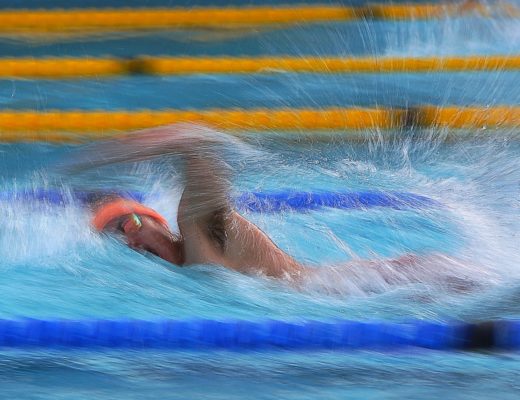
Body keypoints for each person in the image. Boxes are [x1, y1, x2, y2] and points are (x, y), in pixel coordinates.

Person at [75, 123, 479, 290]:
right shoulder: (189, 272)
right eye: (117, 240)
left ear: (156, 221)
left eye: (128, 225)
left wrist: (106, 153)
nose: (131, 242)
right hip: (382, 287)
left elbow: (193, 142)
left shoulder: (199, 228)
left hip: (397, 282)